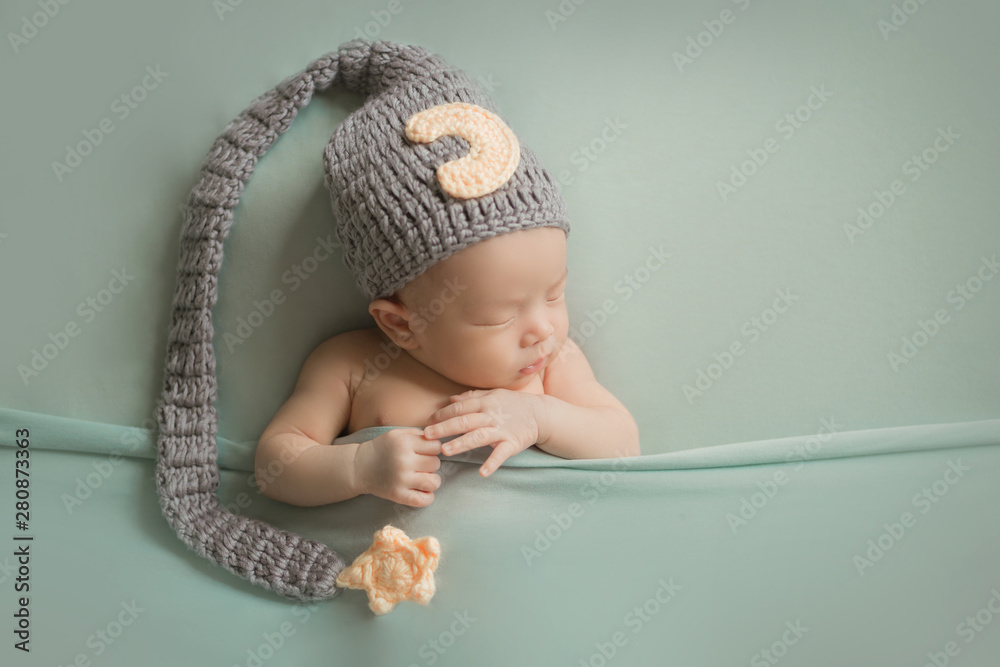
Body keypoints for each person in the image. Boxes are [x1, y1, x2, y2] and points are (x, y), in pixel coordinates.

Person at [252, 40, 639, 511]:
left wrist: (541, 418)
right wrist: (357, 467)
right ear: (400, 324)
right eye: (499, 317)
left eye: (555, 294)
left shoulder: (552, 365)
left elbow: (623, 445)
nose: (542, 329)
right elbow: (276, 465)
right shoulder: (353, 365)